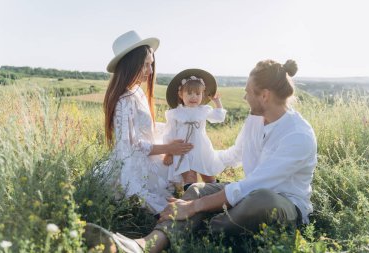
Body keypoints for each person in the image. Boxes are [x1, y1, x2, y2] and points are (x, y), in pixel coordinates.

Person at [88, 59, 318, 253]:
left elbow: (254, 185)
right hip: (247, 191)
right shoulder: (255, 120)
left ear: (265, 95)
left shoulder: (297, 136)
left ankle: (201, 226)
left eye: (247, 92)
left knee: (261, 200)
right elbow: (234, 155)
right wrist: (202, 161)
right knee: (195, 190)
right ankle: (144, 245)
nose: (245, 97)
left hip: (282, 202)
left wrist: (196, 207)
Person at [102, 30, 193, 215]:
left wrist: (175, 127)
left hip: (148, 151)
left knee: (186, 151)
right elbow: (131, 145)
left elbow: (145, 127)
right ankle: (195, 201)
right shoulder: (123, 100)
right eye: (145, 65)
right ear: (130, 65)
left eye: (151, 65)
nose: (150, 71)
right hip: (135, 161)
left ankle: (198, 193)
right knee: (163, 192)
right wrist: (168, 148)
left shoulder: (136, 90)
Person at [163, 69, 227, 191]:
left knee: (208, 175)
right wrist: (169, 152)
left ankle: (214, 195)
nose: (194, 97)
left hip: (202, 149)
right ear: (181, 94)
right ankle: (192, 198)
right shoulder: (176, 113)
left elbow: (218, 117)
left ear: (202, 95)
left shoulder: (203, 110)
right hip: (183, 150)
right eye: (189, 93)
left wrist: (217, 102)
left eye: (198, 94)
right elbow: (169, 133)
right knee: (189, 176)